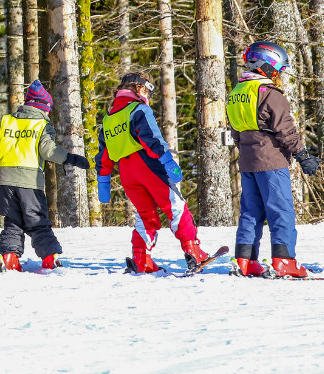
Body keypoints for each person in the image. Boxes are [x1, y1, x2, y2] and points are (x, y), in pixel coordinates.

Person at [95, 72, 210, 274]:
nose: (148, 95)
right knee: (175, 207)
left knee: (145, 215)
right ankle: (193, 251)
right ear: (139, 89)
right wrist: (167, 161)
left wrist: (103, 180)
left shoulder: (109, 119)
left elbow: (104, 154)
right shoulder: (138, 109)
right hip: (147, 165)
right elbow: (152, 139)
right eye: (147, 91)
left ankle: (141, 258)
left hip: (126, 172)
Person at [226, 41, 321, 278]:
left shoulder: (237, 93)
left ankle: (245, 260)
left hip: (247, 162)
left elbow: (235, 131)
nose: (279, 75)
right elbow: (285, 131)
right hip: (271, 161)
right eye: (278, 70)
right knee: (281, 210)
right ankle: (284, 260)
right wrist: (303, 156)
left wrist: (248, 150)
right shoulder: (269, 94)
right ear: (267, 67)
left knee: (250, 212)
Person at [0, 80, 90, 271]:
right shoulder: (41, 124)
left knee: (12, 221)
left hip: (2, 181)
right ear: (43, 106)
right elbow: (49, 151)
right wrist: (72, 159)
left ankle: (10, 258)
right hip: (29, 181)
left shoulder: (5, 121)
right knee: (36, 219)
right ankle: (48, 258)